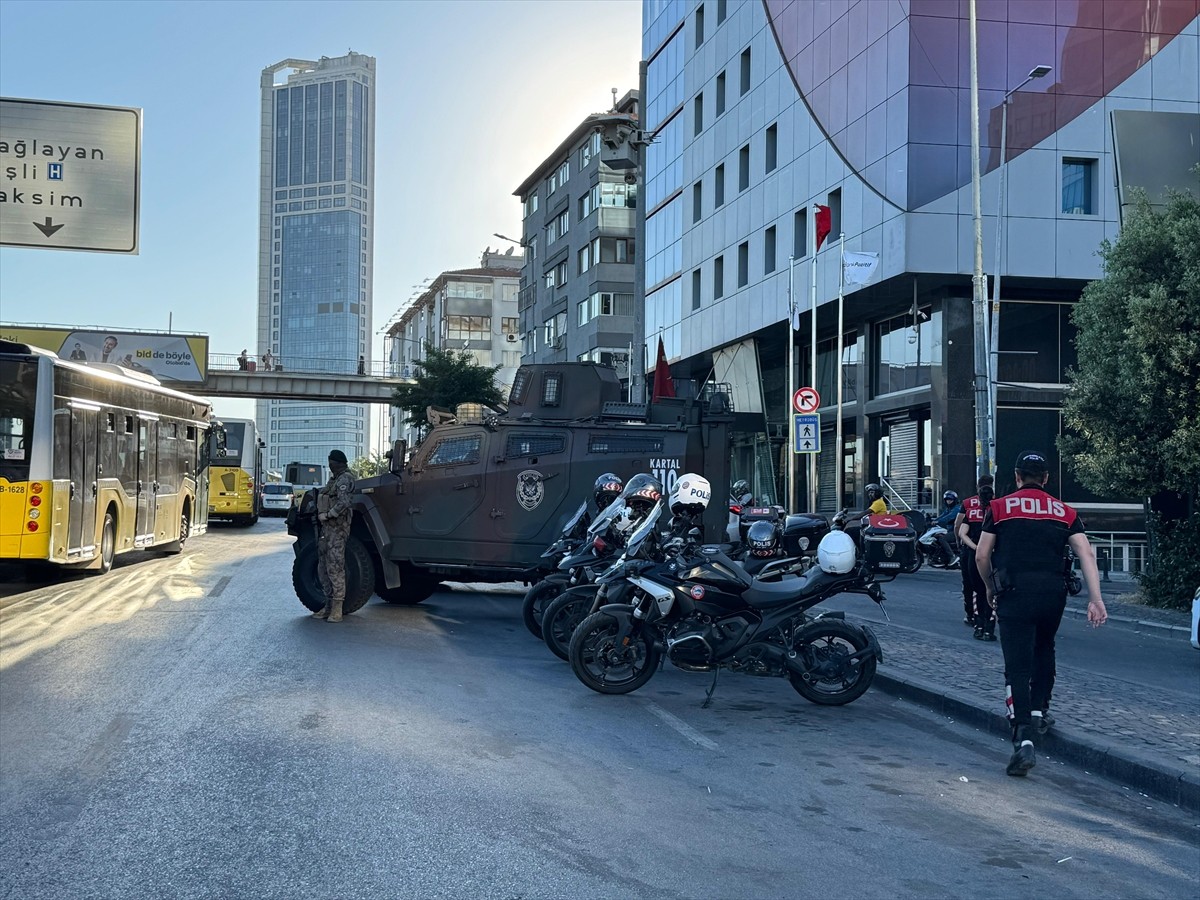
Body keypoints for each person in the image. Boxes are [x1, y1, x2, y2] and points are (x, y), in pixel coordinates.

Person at [976, 451, 1107, 777]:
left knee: (1017, 666)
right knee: (1044, 647)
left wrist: (990, 589)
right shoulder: (1064, 511)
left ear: (1017, 476)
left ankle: (1023, 737)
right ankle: (1038, 710)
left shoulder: (999, 507)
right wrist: (1096, 598)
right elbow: (1085, 553)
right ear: (1046, 478)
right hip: (1053, 594)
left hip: (1014, 593)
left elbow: (981, 555)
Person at [313, 449, 355, 623]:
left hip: (337, 529)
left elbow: (344, 502)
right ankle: (328, 605)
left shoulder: (345, 478)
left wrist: (329, 514)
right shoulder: (333, 480)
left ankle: (337, 608)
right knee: (323, 568)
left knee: (335, 567)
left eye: (331, 462)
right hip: (326, 530)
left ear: (338, 463)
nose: (330, 465)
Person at [956, 475, 996, 638]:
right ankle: (989, 628)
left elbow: (959, 529)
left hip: (972, 554)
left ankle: (977, 624)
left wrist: (971, 546)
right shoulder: (998, 509)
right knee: (993, 590)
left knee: (975, 589)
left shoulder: (969, 507)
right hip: (993, 556)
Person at [933, 490, 962, 568]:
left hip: (957, 531)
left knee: (943, 539)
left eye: (950, 500)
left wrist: (937, 521)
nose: (949, 501)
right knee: (937, 536)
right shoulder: (948, 509)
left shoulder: (957, 509)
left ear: (954, 500)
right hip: (950, 530)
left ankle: (952, 556)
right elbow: (942, 516)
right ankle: (942, 559)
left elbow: (948, 517)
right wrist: (933, 520)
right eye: (947, 500)